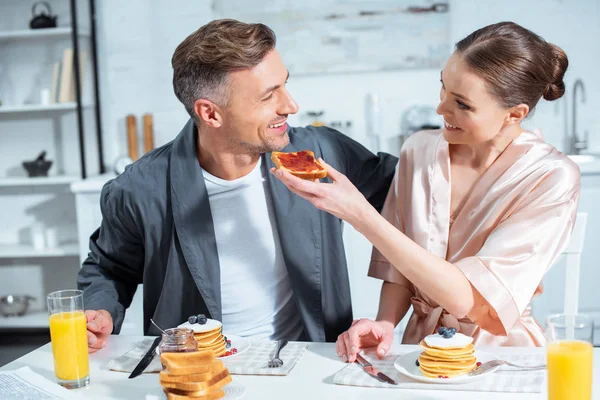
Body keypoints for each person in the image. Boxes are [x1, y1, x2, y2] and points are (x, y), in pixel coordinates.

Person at [77, 19, 397, 353]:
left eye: (284, 85)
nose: (290, 106)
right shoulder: (140, 189)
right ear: (210, 113)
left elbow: (412, 194)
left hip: (310, 361)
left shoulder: (322, 154)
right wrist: (100, 311)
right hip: (199, 368)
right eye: (267, 96)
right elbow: (108, 268)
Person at [272, 21, 580, 362]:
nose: (441, 109)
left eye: (462, 104)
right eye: (443, 89)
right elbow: (399, 273)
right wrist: (385, 323)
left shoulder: (551, 177)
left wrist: (360, 215)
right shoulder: (418, 150)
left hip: (501, 359)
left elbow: (469, 300)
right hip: (418, 351)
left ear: (514, 114)